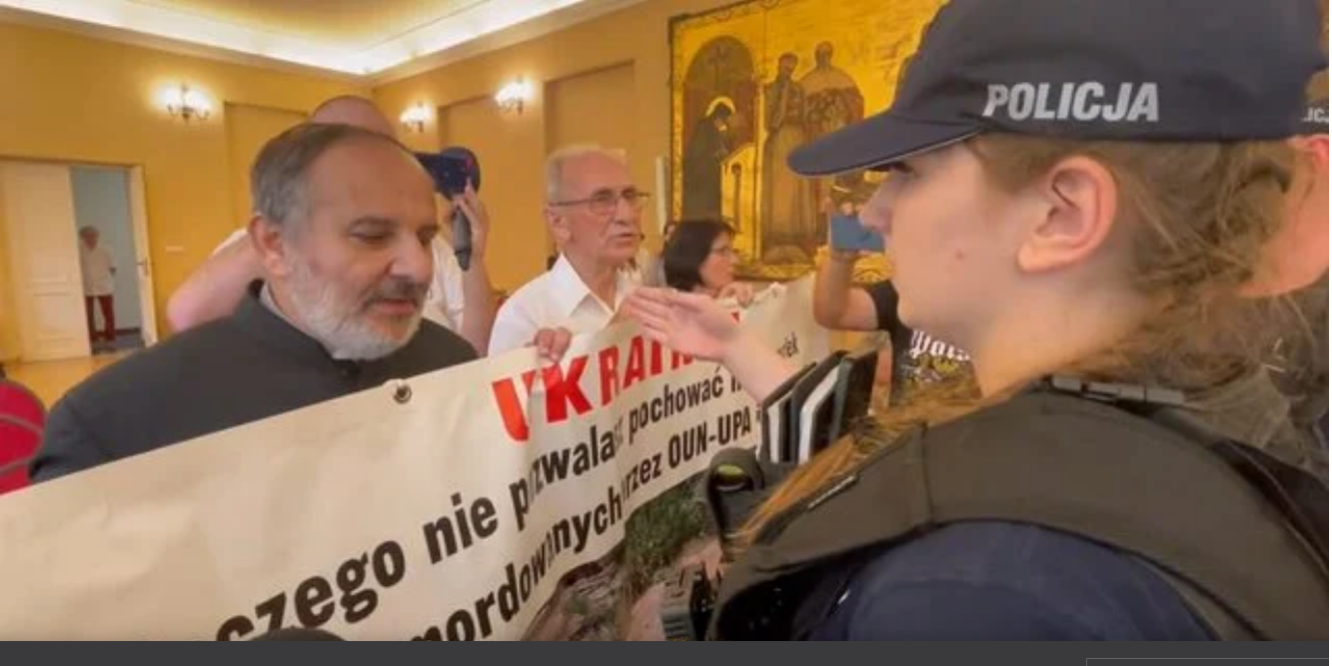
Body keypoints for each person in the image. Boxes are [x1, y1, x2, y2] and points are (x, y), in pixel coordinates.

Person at [623, 0, 1329, 640]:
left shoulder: (983, 594)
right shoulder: (1191, 409)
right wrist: (739, 347)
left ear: (1062, 214)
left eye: (906, 172)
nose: (875, 214)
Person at [32, 124, 503, 482]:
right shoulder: (112, 426)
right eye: (373, 236)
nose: (419, 268)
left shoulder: (453, 367)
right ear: (274, 245)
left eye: (425, 237)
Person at [165, 96, 498, 356]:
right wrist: (295, 217)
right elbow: (187, 314)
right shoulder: (263, 243)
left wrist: (474, 258)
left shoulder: (425, 246)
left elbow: (473, 350)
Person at [488, 145, 646, 356]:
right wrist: (611, 341)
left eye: (630, 196)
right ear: (558, 222)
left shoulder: (643, 296)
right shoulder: (524, 318)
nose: (627, 215)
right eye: (602, 200)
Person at [660, 219, 753, 305]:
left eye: (733, 251)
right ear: (693, 258)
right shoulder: (670, 315)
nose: (735, 261)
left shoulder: (729, 299)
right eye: (722, 251)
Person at [78, 226, 116, 351]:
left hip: (104, 285)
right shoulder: (78, 250)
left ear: (97, 236)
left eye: (93, 235)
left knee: (108, 313)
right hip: (85, 286)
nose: (90, 238)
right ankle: (92, 338)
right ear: (82, 237)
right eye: (87, 236)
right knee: (88, 314)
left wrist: (104, 276)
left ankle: (110, 337)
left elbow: (113, 268)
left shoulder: (106, 250)